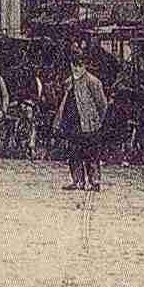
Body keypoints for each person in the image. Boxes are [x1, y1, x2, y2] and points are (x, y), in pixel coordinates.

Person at [56, 50, 109, 192]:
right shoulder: (68, 83)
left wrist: (97, 121)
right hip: (73, 124)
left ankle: (94, 181)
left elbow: (102, 104)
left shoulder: (93, 82)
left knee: (91, 154)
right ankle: (77, 180)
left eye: (79, 65)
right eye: (74, 65)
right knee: (74, 153)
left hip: (90, 125)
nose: (76, 68)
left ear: (85, 65)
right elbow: (63, 103)